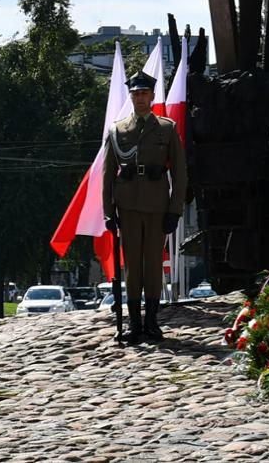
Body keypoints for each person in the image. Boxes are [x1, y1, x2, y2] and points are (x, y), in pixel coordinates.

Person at [104, 69, 189, 343]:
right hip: (128, 206)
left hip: (157, 206)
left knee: (153, 264)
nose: (140, 98)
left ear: (152, 96)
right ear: (130, 97)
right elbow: (107, 174)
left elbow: (180, 172)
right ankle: (134, 323)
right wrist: (108, 212)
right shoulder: (117, 130)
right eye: (136, 93)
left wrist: (175, 210)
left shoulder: (166, 128)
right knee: (132, 266)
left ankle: (151, 322)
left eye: (144, 93)